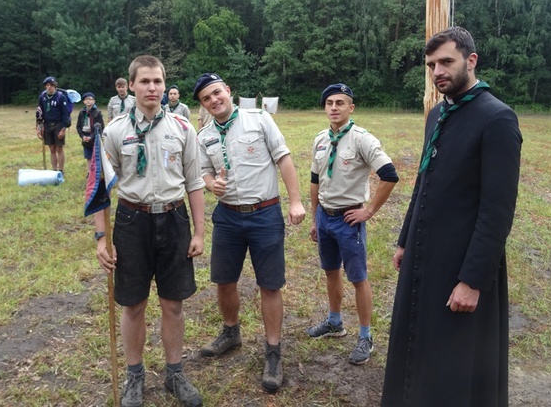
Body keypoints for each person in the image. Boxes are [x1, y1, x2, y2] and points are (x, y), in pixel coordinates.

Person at [381, 27, 522, 407]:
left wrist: (473, 280)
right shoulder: (437, 113)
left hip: (462, 261)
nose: (437, 71)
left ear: (471, 61)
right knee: (419, 341)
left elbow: (498, 209)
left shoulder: (497, 119)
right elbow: (423, 181)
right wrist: (405, 239)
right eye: (431, 65)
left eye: (446, 62)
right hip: (425, 253)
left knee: (456, 360)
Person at [96, 55, 206, 407]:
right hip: (132, 222)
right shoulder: (113, 132)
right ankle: (135, 376)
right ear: (131, 85)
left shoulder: (182, 128)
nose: (152, 88)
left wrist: (200, 231)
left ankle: (175, 373)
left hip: (174, 220)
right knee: (133, 305)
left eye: (158, 81)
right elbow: (100, 188)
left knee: (173, 304)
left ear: (165, 84)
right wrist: (102, 238)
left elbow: (195, 182)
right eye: (145, 81)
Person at [193, 72, 306, 394]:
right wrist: (210, 182)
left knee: (269, 285)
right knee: (224, 280)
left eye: (217, 93)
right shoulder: (204, 136)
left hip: (265, 214)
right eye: (206, 99)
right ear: (202, 104)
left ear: (228, 91)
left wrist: (295, 202)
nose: (214, 101)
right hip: (227, 217)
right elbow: (203, 172)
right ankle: (231, 332)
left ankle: (273, 351)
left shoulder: (259, 120)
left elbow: (283, 158)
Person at [306, 83, 398, 365]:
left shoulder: (362, 140)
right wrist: (314, 218)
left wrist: (368, 211)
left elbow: (390, 174)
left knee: (358, 278)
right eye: (329, 103)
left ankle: (365, 336)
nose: (334, 108)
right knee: (330, 271)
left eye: (340, 103)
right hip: (325, 217)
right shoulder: (321, 139)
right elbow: (314, 181)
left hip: (349, 220)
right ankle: (335, 322)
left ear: (351, 108)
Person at [36, 76, 71, 173]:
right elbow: (39, 112)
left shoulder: (61, 97)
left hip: (59, 124)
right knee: (52, 148)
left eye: (51, 85)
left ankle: (61, 170)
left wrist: (63, 129)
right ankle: (54, 170)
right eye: (47, 85)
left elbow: (65, 114)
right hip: (47, 125)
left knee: (59, 148)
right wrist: (39, 127)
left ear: (55, 86)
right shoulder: (42, 97)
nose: (49, 87)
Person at [76, 92, 104, 173]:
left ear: (94, 101)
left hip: (95, 137)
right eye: (86, 99)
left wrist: (92, 137)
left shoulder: (98, 112)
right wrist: (82, 136)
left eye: (90, 99)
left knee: (97, 156)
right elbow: (78, 126)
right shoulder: (82, 112)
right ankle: (89, 172)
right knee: (88, 156)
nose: (88, 101)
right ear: (84, 101)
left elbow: (100, 127)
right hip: (85, 136)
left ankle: (98, 172)